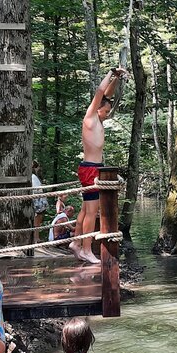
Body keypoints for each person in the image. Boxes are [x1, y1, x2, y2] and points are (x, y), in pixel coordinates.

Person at [74, 67, 126, 264]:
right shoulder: (90, 118)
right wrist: (110, 73)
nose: (106, 114)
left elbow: (107, 96)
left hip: (92, 168)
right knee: (91, 212)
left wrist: (117, 78)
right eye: (104, 111)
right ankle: (87, 250)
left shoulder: (98, 117)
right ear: (96, 109)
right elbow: (100, 93)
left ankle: (76, 244)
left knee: (85, 210)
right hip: (90, 169)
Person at [31, 161, 47, 228]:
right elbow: (36, 189)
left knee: (38, 218)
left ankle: (36, 236)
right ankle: (36, 236)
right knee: (38, 217)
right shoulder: (33, 177)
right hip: (38, 200)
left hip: (38, 199)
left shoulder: (34, 177)